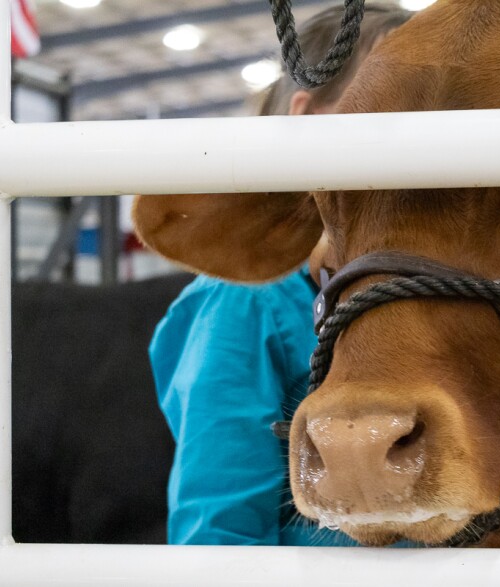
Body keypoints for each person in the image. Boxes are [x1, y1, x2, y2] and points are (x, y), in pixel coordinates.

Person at [149, 4, 414, 546]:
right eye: (396, 110)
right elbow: (218, 531)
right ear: (308, 119)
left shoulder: (422, 283)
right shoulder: (246, 299)